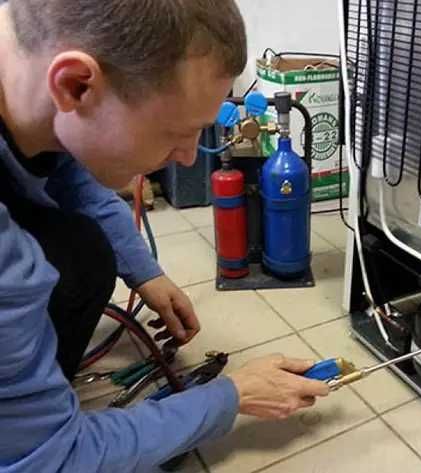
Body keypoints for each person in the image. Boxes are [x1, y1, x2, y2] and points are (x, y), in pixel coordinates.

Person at [0, 1, 330, 472]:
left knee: (85, 252)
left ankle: (31, 400)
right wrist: (231, 396)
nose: (190, 158)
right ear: (76, 84)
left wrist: (146, 273)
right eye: (177, 132)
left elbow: (71, 176)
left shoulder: (25, 77)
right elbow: (52, 460)